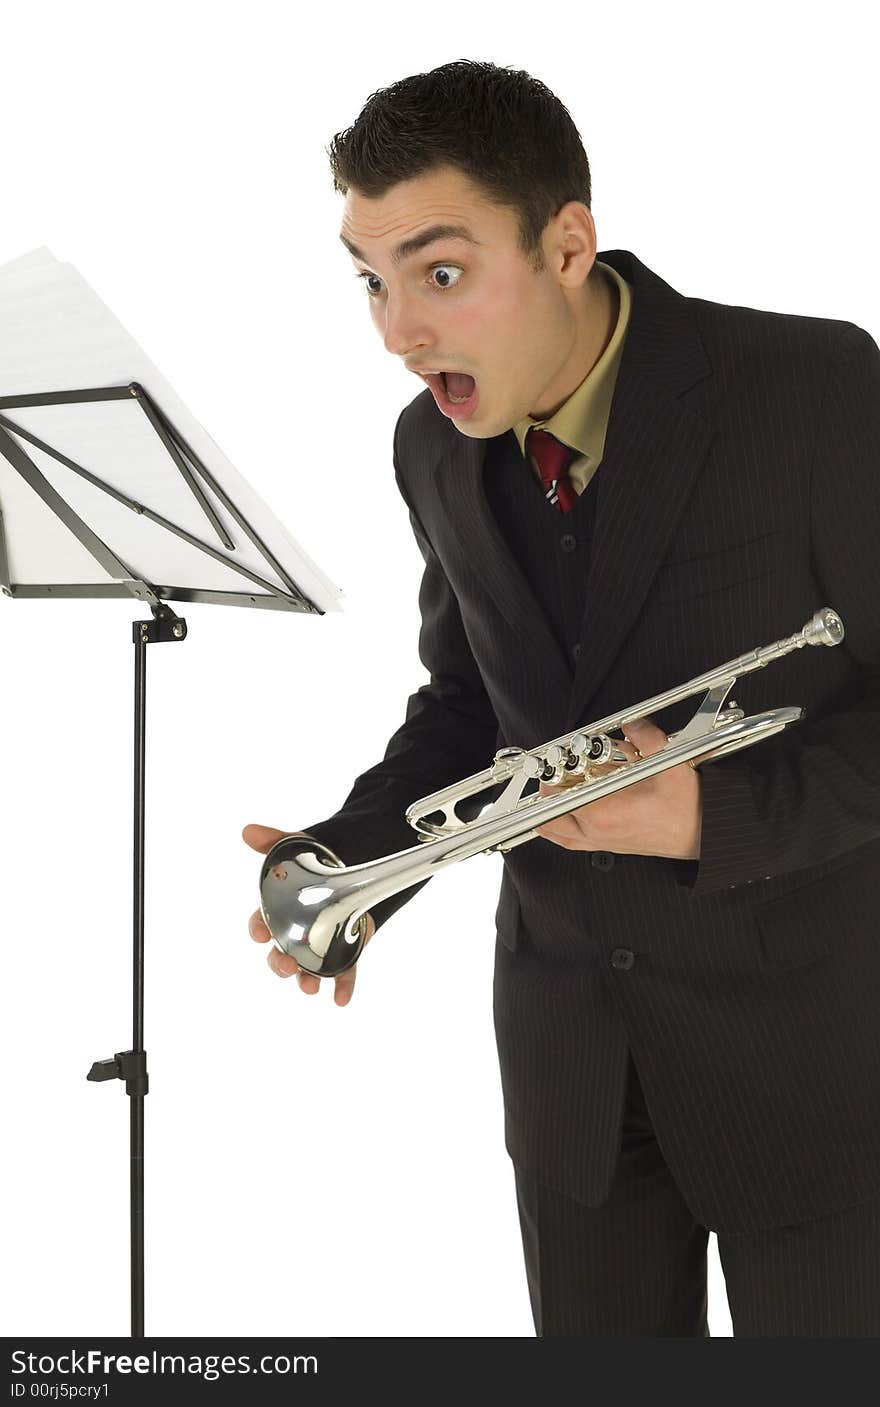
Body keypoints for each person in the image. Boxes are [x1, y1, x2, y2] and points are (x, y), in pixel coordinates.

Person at [244, 60, 880, 1336]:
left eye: (439, 272)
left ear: (568, 244)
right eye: (369, 281)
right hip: (572, 1071)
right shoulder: (431, 447)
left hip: (811, 1067)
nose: (397, 332)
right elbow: (469, 705)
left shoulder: (810, 390)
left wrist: (711, 814)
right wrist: (356, 863)